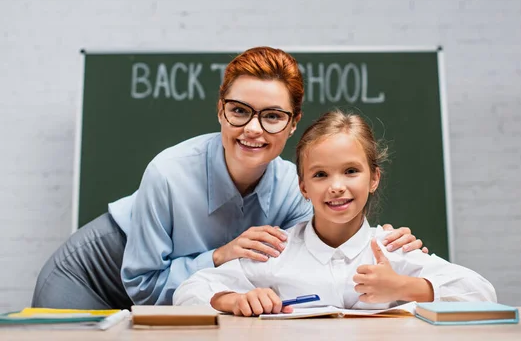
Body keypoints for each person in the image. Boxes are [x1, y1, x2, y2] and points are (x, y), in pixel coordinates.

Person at [32, 47, 426, 309]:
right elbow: (144, 286)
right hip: (93, 274)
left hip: (186, 297)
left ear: (292, 124)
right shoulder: (168, 172)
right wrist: (222, 255)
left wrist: (383, 244)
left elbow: (306, 260)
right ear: (221, 110)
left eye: (272, 116)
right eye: (240, 111)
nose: (253, 129)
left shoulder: (294, 186)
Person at [173, 110, 497, 315]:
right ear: (303, 188)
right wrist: (233, 300)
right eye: (320, 175)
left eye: (351, 171)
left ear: (374, 178)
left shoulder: (393, 249)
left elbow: (483, 294)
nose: (336, 187)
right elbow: (189, 292)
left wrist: (402, 287)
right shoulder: (277, 251)